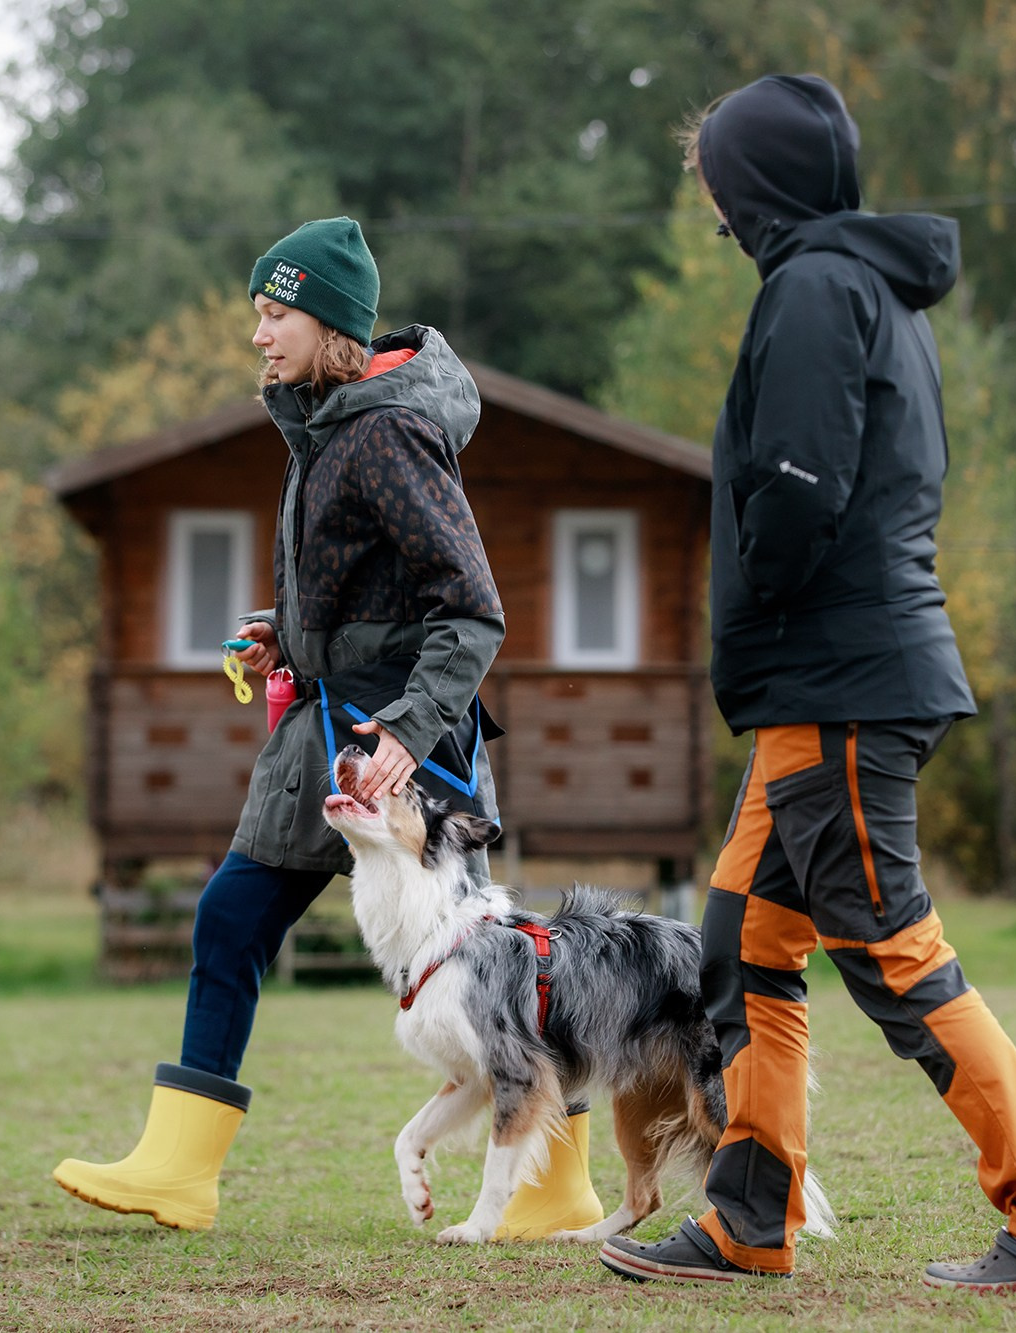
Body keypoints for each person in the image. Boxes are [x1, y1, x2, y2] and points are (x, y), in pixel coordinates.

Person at [597, 77, 1016, 1293]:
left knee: (887, 952)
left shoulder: (817, 291)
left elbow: (798, 485)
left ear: (753, 188)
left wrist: (755, 603)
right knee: (738, 949)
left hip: (836, 685)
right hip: (812, 692)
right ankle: (746, 1220)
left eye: (717, 189)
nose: (713, 217)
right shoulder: (857, 289)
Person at [52, 217, 604, 1239]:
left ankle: (555, 1193)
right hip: (325, 726)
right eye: (255, 315)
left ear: (331, 324)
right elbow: (369, 587)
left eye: (274, 314)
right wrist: (283, 632)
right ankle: (180, 1168)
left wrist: (402, 728)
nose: (257, 335)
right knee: (232, 922)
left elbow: (471, 609)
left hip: (400, 752)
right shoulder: (322, 423)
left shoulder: (384, 432)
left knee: (491, 976)